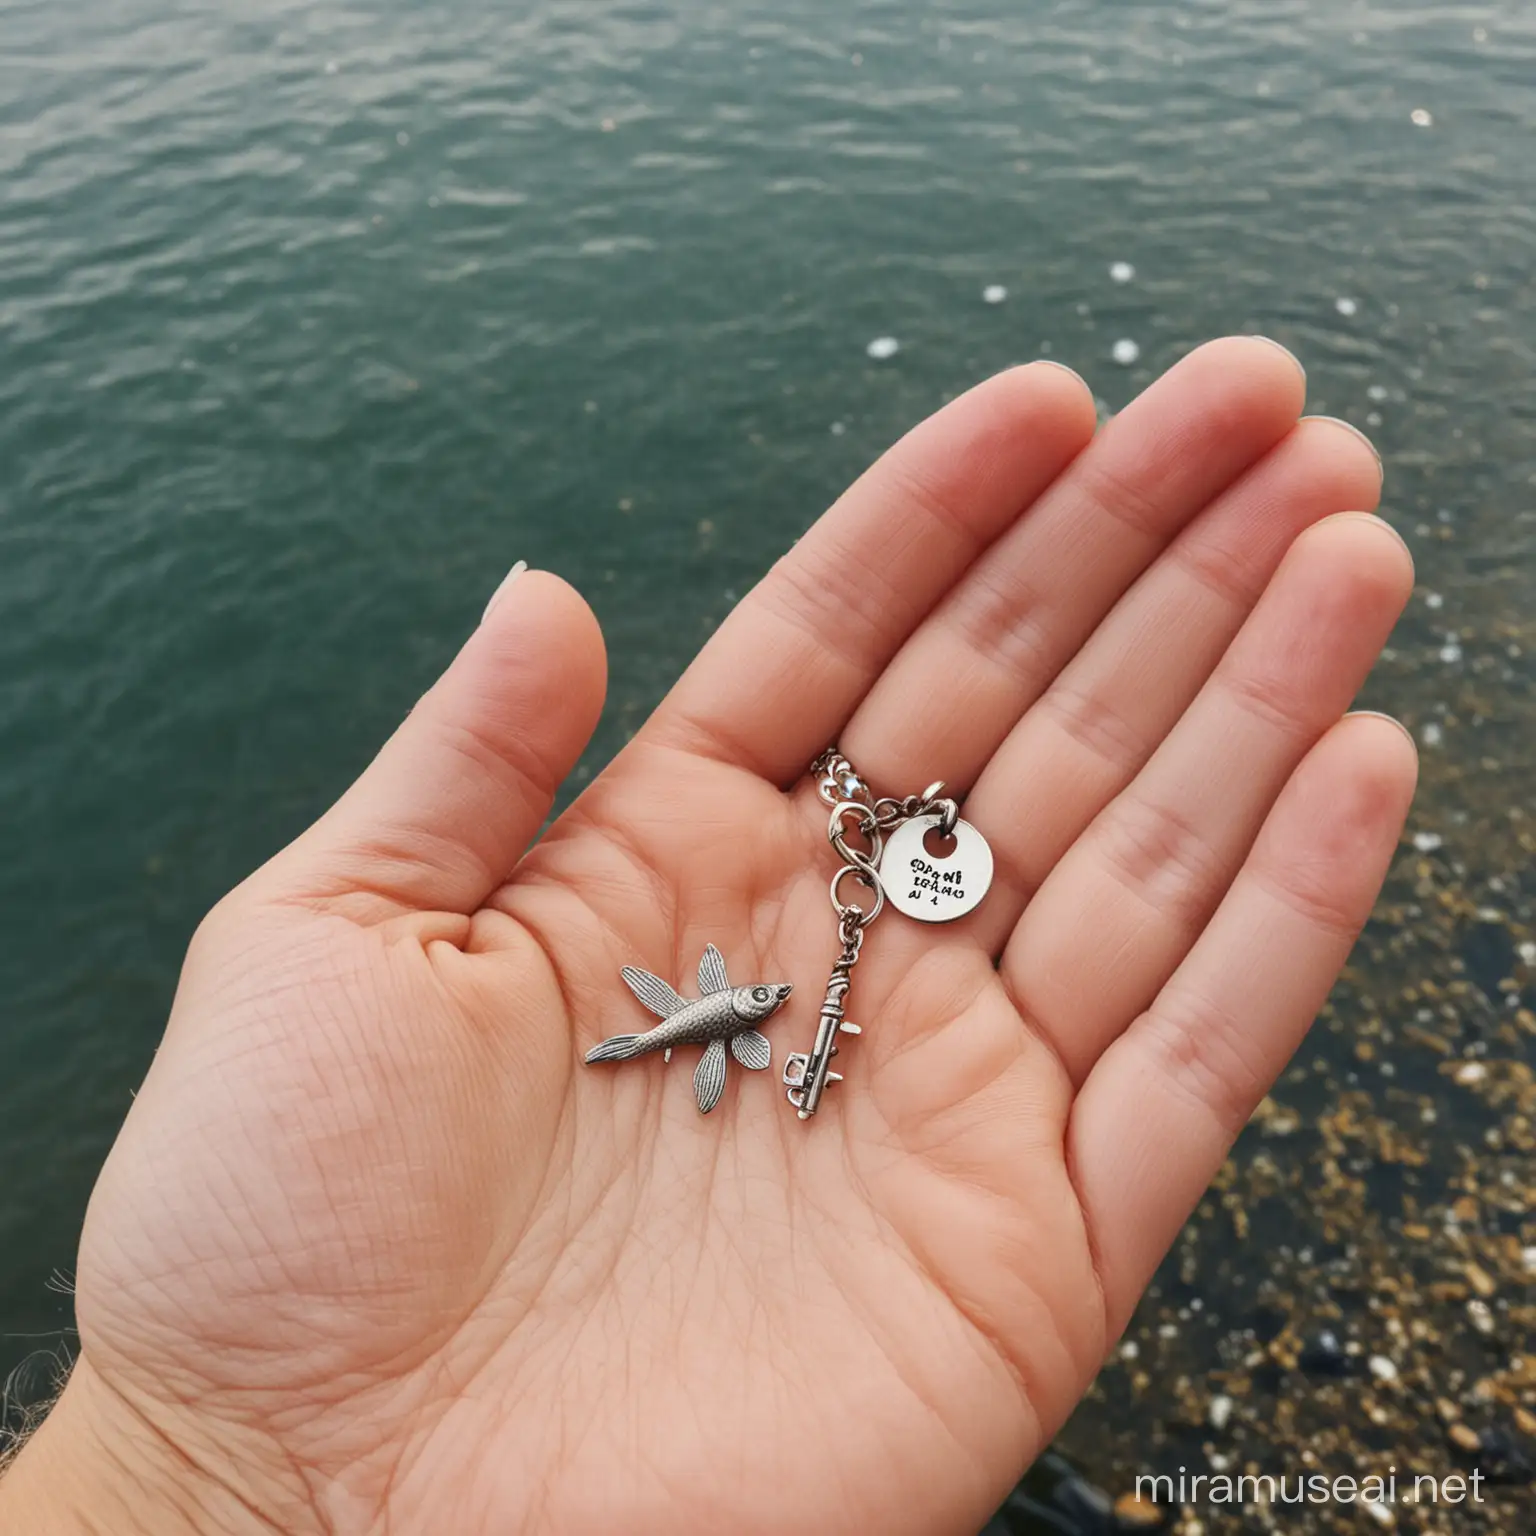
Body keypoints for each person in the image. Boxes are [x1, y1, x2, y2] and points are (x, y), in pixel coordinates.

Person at [0, 338, 1415, 1535]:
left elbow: (727, 1025)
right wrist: (200, 1457)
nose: (726, 1026)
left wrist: (192, 1470)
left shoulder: (729, 1018)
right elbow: (728, 1029)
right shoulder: (730, 1024)